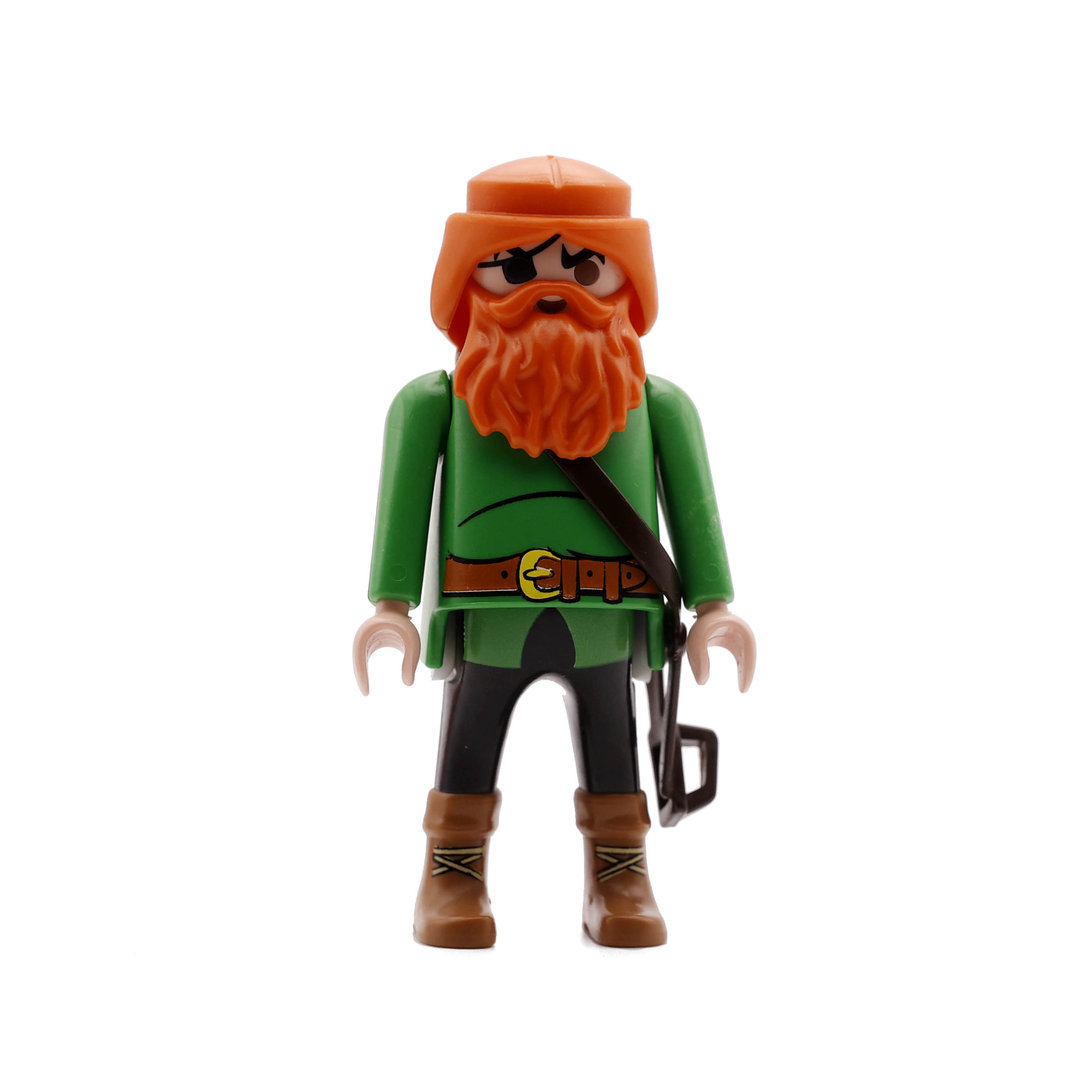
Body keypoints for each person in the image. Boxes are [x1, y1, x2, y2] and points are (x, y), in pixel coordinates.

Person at [354, 156, 755, 948]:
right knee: (467, 745)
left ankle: (621, 874)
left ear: (629, 286)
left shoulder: (658, 406)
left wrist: (714, 607)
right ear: (466, 281)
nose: (551, 291)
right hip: (488, 616)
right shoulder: (436, 403)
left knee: (612, 746)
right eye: (513, 268)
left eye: (586, 269)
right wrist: (390, 607)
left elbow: (692, 508)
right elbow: (403, 504)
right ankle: (451, 873)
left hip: (607, 616)